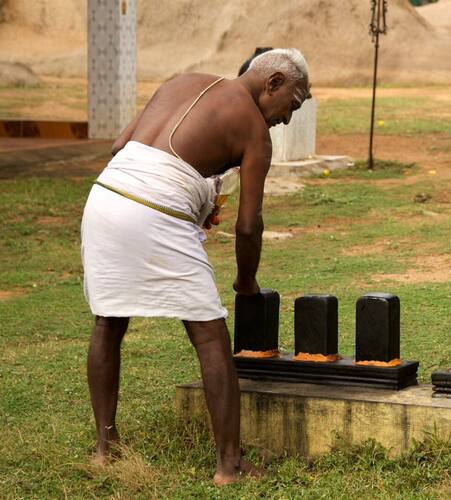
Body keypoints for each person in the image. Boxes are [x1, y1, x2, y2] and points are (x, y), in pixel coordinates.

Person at [80, 48, 311, 485]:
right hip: (154, 209)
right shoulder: (255, 131)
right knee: (210, 336)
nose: (287, 119)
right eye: (293, 105)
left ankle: (105, 450)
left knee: (108, 321)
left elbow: (120, 146)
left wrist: (193, 192)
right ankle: (229, 465)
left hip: (105, 196)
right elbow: (248, 226)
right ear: (274, 82)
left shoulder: (183, 81)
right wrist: (246, 281)